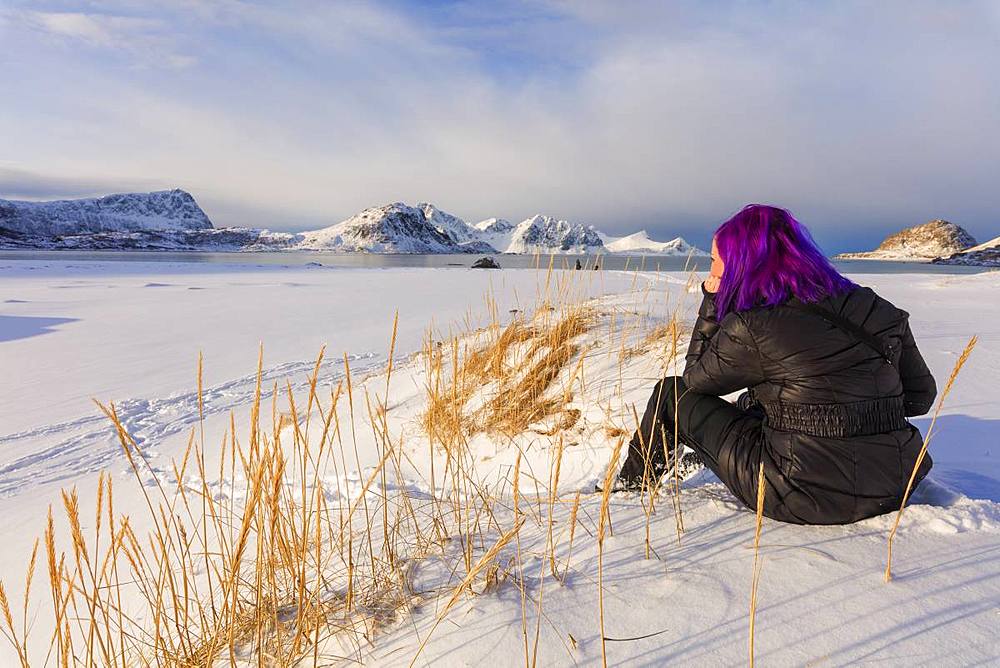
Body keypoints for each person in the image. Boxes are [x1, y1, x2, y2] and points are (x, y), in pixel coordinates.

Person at [614, 204, 937, 525]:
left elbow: (696, 381)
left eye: (714, 262)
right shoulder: (877, 308)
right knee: (751, 403)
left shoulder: (754, 324)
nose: (710, 272)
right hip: (895, 482)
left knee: (671, 395)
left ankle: (628, 491)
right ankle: (700, 459)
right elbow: (920, 397)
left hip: (801, 492)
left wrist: (712, 302)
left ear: (742, 265)